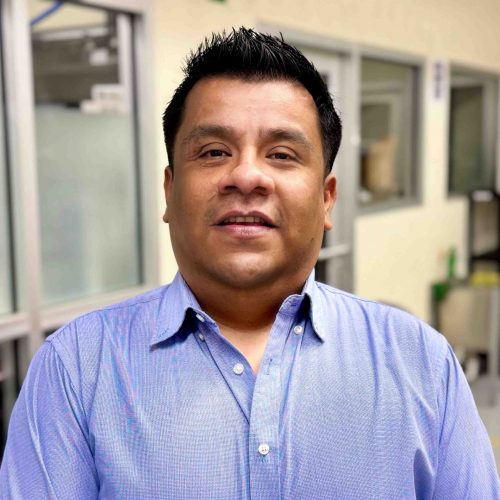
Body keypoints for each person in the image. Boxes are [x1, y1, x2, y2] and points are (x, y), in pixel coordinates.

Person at [1, 28, 499, 499]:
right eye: (214, 151)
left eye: (281, 154)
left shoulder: (421, 363)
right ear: (170, 192)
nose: (246, 176)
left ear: (327, 199)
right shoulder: (76, 369)